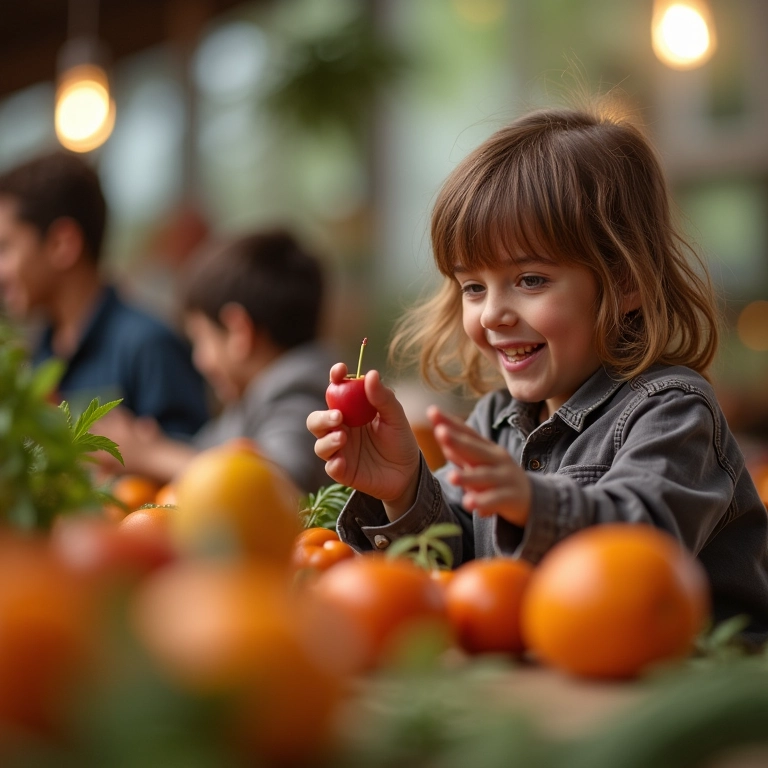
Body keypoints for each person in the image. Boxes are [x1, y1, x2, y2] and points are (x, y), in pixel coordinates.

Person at [307, 105, 768, 641]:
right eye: (473, 287)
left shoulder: (673, 412)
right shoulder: (495, 421)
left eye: (529, 279)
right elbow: (460, 570)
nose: (492, 313)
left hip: (701, 696)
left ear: (625, 285)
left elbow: (641, 554)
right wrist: (404, 488)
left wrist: (534, 503)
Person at [97, 228, 335, 495]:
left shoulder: (301, 391)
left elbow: (272, 485)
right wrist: (152, 444)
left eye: (200, 339)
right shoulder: (247, 400)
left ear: (238, 332)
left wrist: (152, 454)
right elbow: (205, 454)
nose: (199, 361)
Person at [0, 151, 208, 438]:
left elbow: (199, 471)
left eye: (4, 248)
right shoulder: (39, 356)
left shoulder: (148, 347)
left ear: (62, 244)